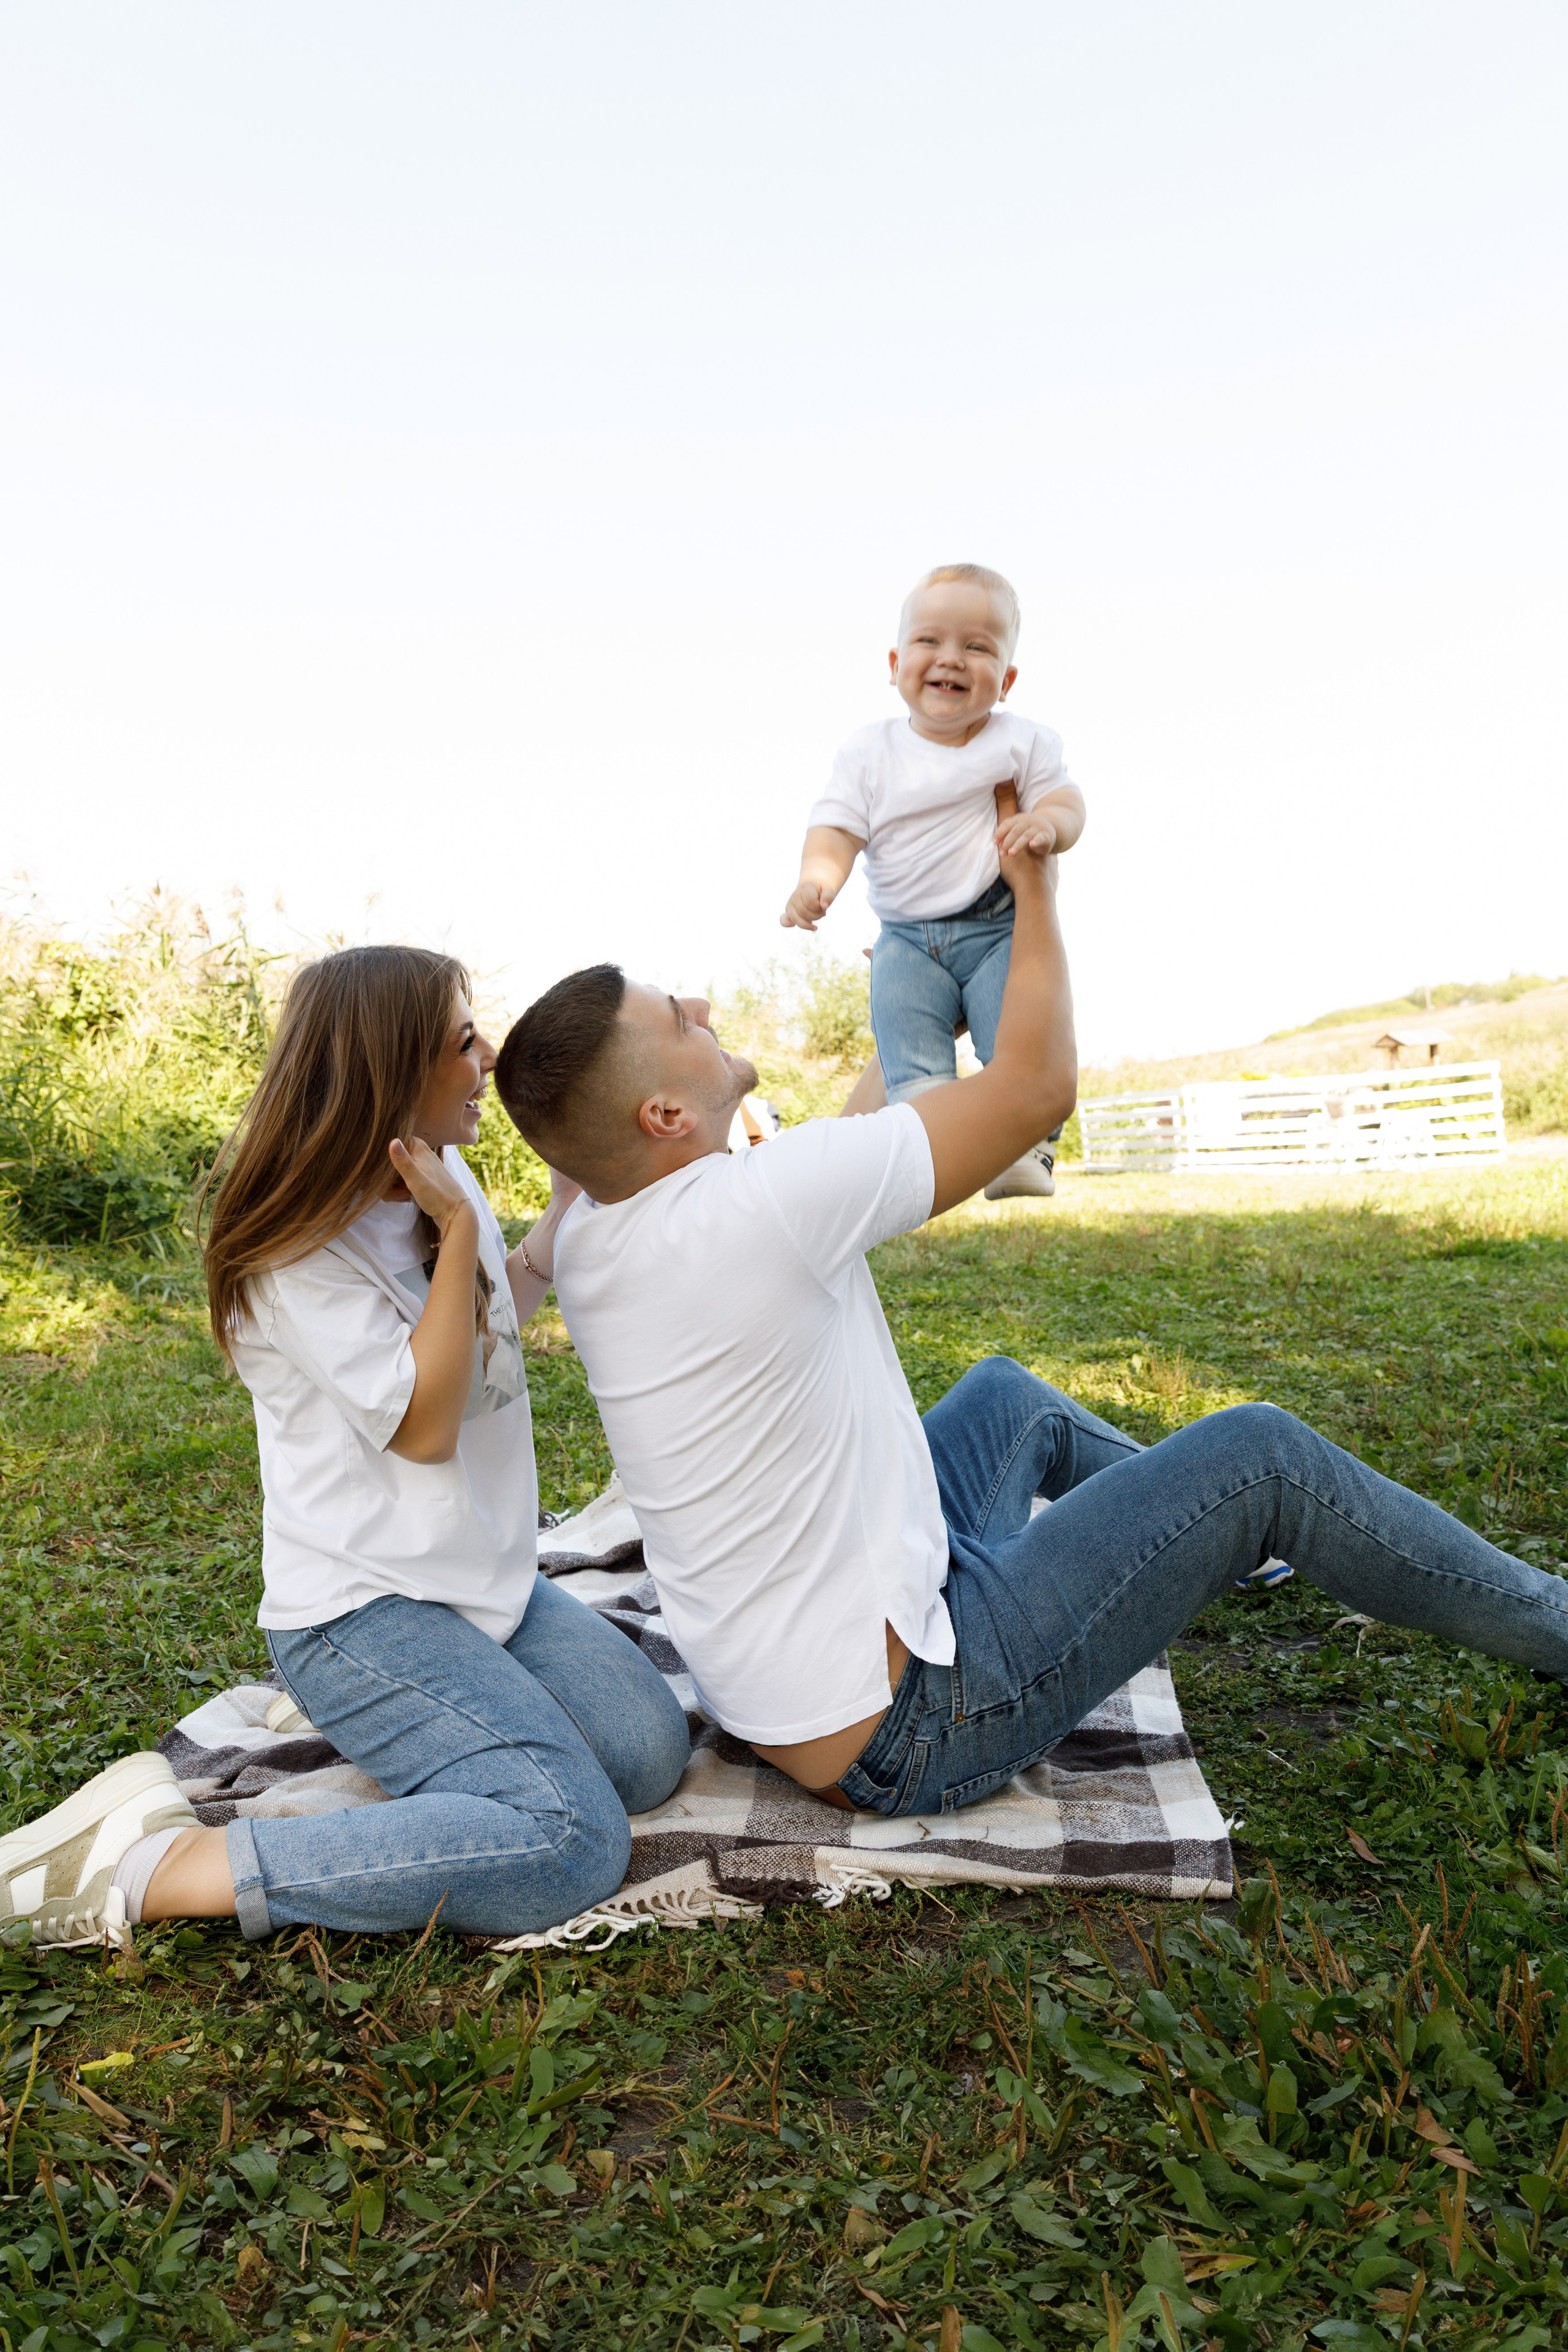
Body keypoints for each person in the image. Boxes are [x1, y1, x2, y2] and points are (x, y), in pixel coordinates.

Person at [496, 835, 1568, 1817]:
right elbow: (1035, 1087)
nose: (697, 1001)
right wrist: (1032, 897)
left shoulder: (597, 1229)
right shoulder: (755, 1211)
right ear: (666, 1118)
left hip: (796, 1682)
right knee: (1264, 1459)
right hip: (916, 1724)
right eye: (676, 1019)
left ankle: (1221, 1553)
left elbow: (862, 1135)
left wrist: (913, 982)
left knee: (1007, 1397)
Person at [0, 948, 689, 1949]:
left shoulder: (439, 1181)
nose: (488, 1058)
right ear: (388, 1070)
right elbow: (423, 1427)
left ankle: (435, 1737)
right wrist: (458, 1240)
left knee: (644, 1754)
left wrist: (547, 1221)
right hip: (362, 1617)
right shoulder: (297, 1256)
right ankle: (152, 1863)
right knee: (570, 1839)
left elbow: (487, 1331)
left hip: (479, 1586)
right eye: (463, 1042)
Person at [780, 561, 1084, 1198]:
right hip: (905, 940)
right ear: (894, 664)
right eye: (930, 641)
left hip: (997, 924)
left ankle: (1025, 1152)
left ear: (1005, 679)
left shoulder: (1021, 741)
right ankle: (929, 1145)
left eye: (977, 647)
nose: (951, 658)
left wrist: (1046, 827)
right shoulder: (869, 751)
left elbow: (1065, 800)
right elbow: (836, 827)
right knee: (909, 1051)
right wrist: (817, 880)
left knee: (1016, 1041)